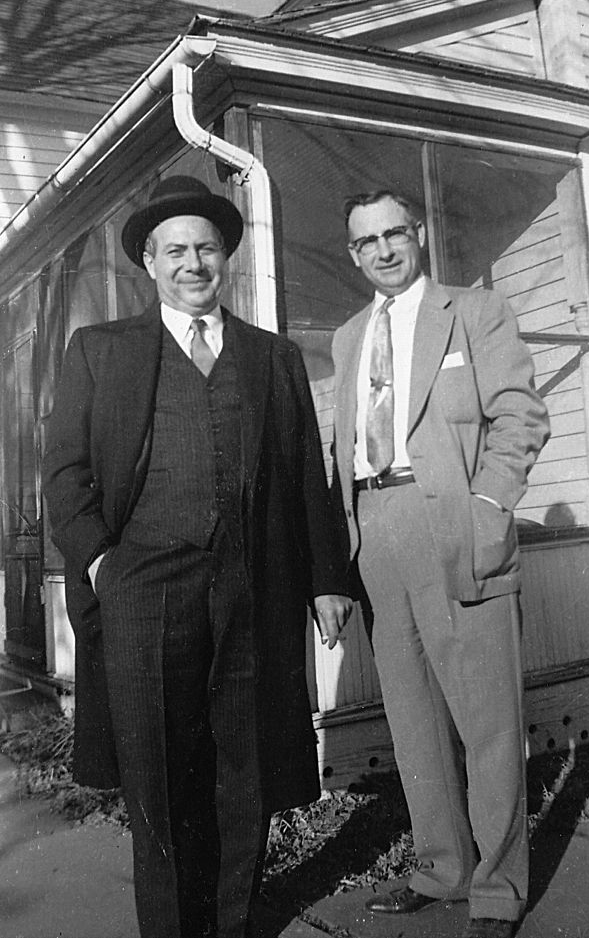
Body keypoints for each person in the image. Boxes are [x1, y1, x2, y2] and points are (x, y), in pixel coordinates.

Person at [42, 175, 352, 938]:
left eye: (206, 248)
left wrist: (326, 581)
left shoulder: (272, 359)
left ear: (227, 259)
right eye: (175, 249)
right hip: (143, 590)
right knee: (159, 777)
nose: (193, 263)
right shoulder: (99, 351)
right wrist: (101, 564)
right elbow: (64, 472)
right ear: (148, 261)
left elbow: (305, 474)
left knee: (242, 771)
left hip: (251, 589)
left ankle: (237, 923)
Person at [330, 189, 550, 938]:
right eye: (368, 241)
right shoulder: (348, 336)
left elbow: (520, 414)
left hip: (454, 525)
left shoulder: (474, 311)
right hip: (377, 531)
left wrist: (488, 508)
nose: (384, 249)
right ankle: (442, 866)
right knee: (413, 720)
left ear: (417, 234)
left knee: (487, 719)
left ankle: (497, 889)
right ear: (352, 253)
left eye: (395, 232)